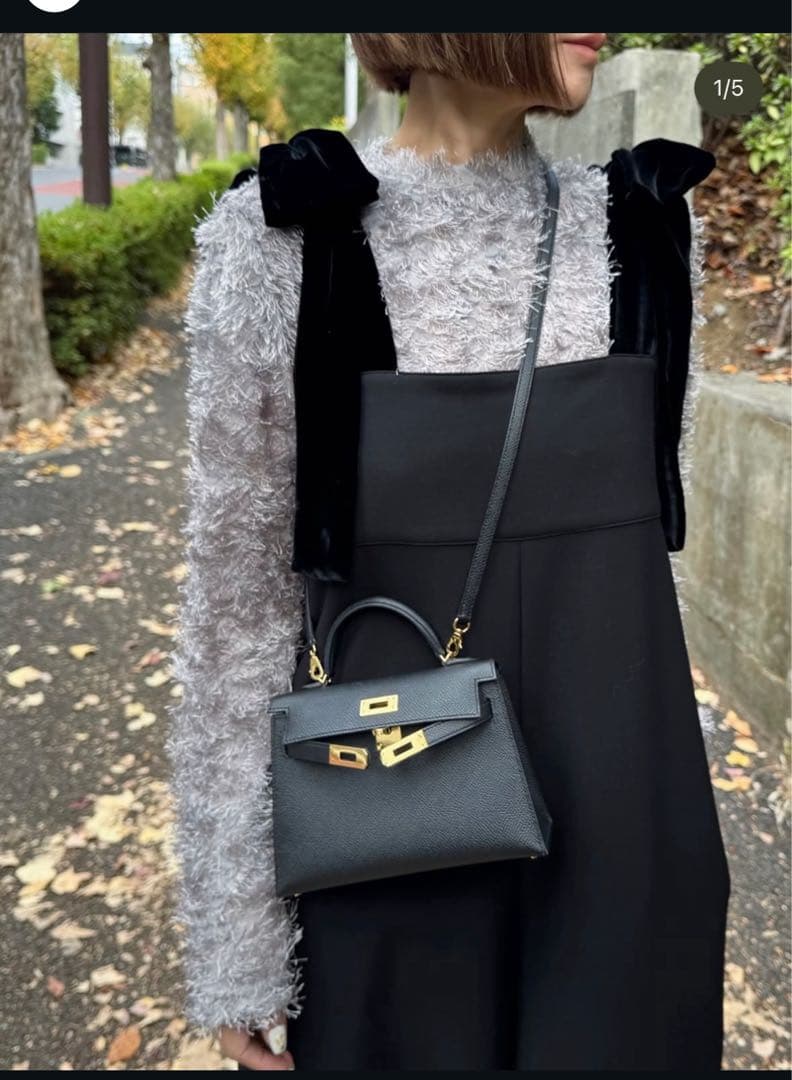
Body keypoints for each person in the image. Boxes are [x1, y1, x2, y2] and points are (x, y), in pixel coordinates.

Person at [166, 32, 731, 1071]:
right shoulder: (283, 236)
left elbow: (649, 574)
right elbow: (237, 613)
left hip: (628, 849)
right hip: (383, 837)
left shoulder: (647, 224)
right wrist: (238, 938)